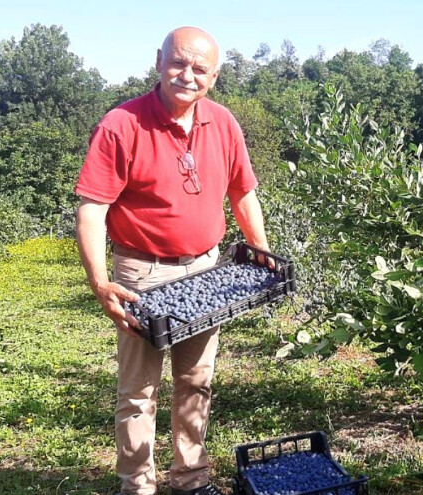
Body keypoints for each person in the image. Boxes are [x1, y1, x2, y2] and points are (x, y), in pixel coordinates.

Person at [74, 26, 269, 495]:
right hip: (141, 274)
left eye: (200, 68)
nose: (187, 75)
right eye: (179, 62)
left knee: (196, 381)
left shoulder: (222, 122)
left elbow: (243, 193)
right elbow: (92, 208)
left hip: (206, 270)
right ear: (159, 61)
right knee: (138, 392)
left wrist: (260, 251)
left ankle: (191, 479)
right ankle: (138, 486)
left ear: (214, 77)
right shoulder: (121, 124)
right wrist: (100, 282)